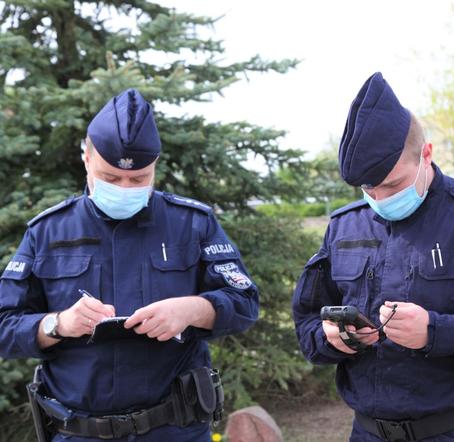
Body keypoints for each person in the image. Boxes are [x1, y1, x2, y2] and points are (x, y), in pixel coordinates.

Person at [292, 72, 454, 442]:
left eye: (394, 184)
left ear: (427, 154)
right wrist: (333, 338)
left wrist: (436, 332)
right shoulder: (344, 226)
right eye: (369, 188)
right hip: (368, 432)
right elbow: (307, 324)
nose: (381, 198)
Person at [0, 89, 259, 441]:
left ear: (154, 166)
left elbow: (245, 302)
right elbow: (4, 325)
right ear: (87, 157)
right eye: (110, 177)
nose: (124, 187)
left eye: (139, 179)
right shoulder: (48, 231)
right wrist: (58, 324)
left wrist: (194, 309)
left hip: (175, 429)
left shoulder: (192, 223)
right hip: (79, 432)